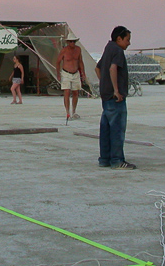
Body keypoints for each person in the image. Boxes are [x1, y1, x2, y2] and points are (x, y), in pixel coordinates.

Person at [95, 26, 135, 170]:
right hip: (115, 98)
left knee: (106, 129)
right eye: (127, 40)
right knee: (117, 129)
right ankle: (117, 160)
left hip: (106, 96)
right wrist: (116, 90)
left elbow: (97, 68)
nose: (129, 43)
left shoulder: (108, 48)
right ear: (119, 39)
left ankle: (104, 159)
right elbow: (113, 68)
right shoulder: (117, 50)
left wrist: (104, 83)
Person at [56, 31, 86, 119]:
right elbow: (58, 62)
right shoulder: (64, 51)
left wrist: (83, 73)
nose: (72, 43)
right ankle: (67, 112)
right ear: (68, 42)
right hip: (66, 73)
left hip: (75, 73)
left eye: (74, 41)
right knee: (67, 92)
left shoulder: (78, 49)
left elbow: (80, 61)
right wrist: (58, 74)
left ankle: (74, 111)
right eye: (71, 41)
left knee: (76, 92)